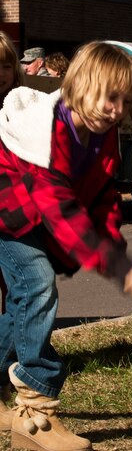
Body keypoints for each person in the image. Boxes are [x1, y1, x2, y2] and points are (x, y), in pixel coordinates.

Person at [0, 41, 132, 451]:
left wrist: (116, 251)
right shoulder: (45, 131)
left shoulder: (103, 134)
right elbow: (58, 207)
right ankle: (36, 410)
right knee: (38, 283)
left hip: (36, 218)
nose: (116, 110)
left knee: (22, 307)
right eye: (110, 97)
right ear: (81, 85)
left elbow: (103, 198)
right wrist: (113, 265)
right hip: (8, 215)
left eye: (124, 101)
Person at [0, 32, 24, 313]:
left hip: (14, 206)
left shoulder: (19, 104)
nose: (2, 73)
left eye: (7, 66)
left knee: (15, 282)